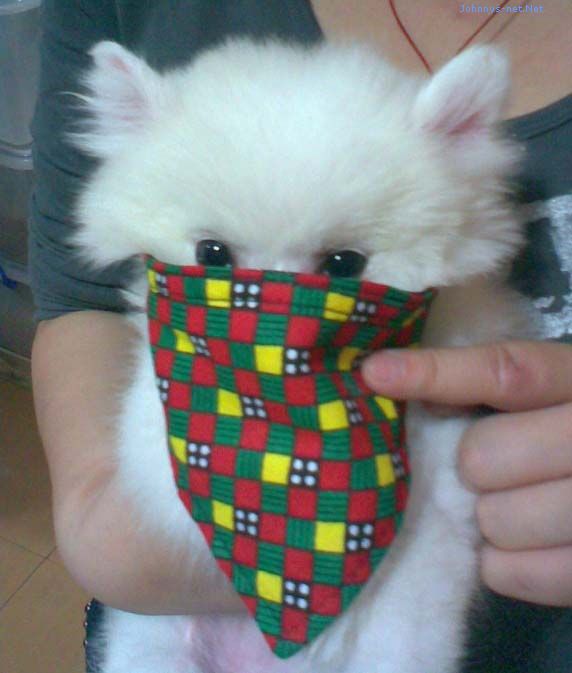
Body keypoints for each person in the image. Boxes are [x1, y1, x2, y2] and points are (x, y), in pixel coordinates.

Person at [29, 1, 572, 671]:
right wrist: (108, 540)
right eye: (217, 256)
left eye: (340, 264)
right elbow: (76, 304)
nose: (274, 308)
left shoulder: (458, 320)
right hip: (171, 622)